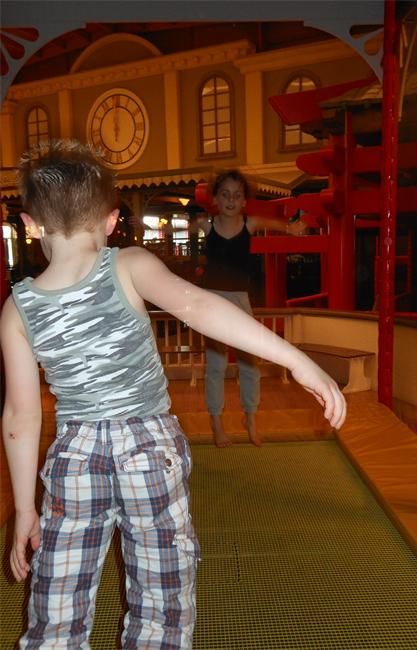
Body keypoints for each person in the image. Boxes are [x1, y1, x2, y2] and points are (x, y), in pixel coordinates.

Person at [0, 141, 346, 649]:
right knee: (161, 594)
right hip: (147, 448)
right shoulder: (126, 265)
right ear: (111, 221)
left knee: (59, 599)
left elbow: (20, 418)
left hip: (75, 457)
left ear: (31, 225)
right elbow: (201, 308)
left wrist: (25, 510)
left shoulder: (18, 308)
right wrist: (296, 360)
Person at [199, 169, 305, 448]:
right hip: (211, 301)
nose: (231, 200)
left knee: (250, 364)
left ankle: (250, 418)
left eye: (237, 195)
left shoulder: (250, 223)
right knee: (216, 365)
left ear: (244, 201)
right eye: (225, 194)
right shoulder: (207, 226)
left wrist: (292, 228)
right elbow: (173, 230)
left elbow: (277, 224)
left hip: (240, 300)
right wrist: (143, 227)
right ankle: (216, 422)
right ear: (215, 199)